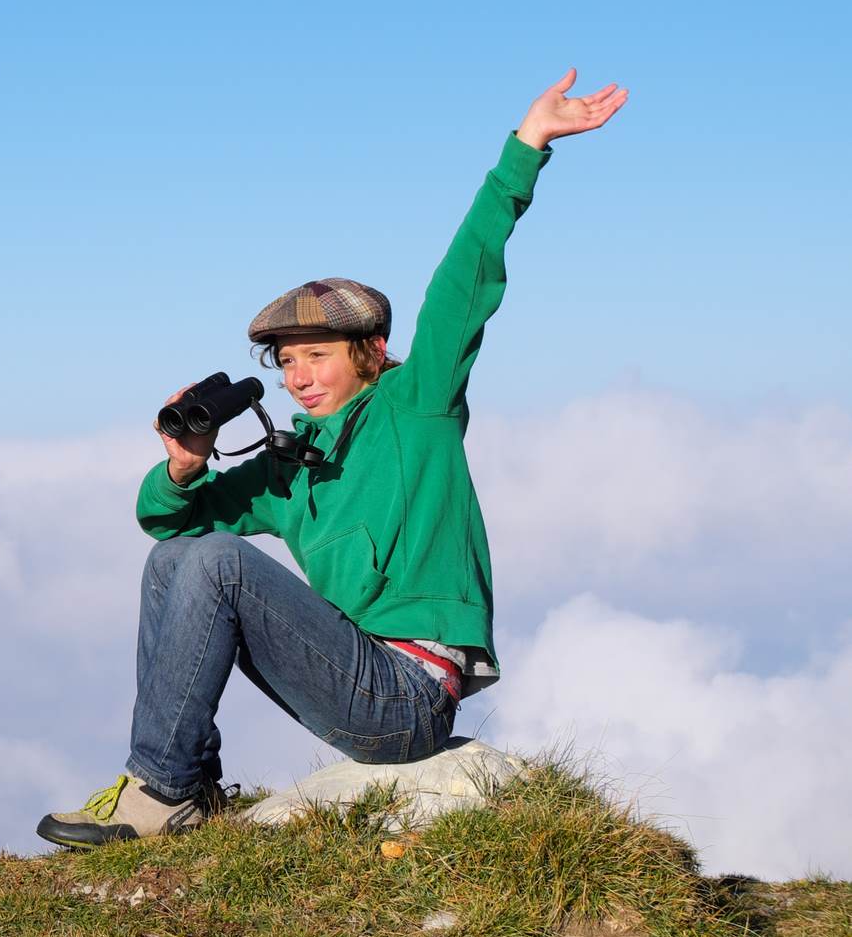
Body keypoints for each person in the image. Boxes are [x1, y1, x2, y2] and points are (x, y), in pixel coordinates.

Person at [38, 71, 629, 849]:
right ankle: (189, 784)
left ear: (372, 351)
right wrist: (183, 466)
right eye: (286, 363)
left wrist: (527, 148)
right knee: (177, 561)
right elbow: (169, 528)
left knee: (215, 561)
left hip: (408, 695)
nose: (299, 377)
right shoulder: (293, 463)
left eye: (316, 355)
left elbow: (466, 278)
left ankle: (163, 789)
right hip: (348, 683)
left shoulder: (416, 405)